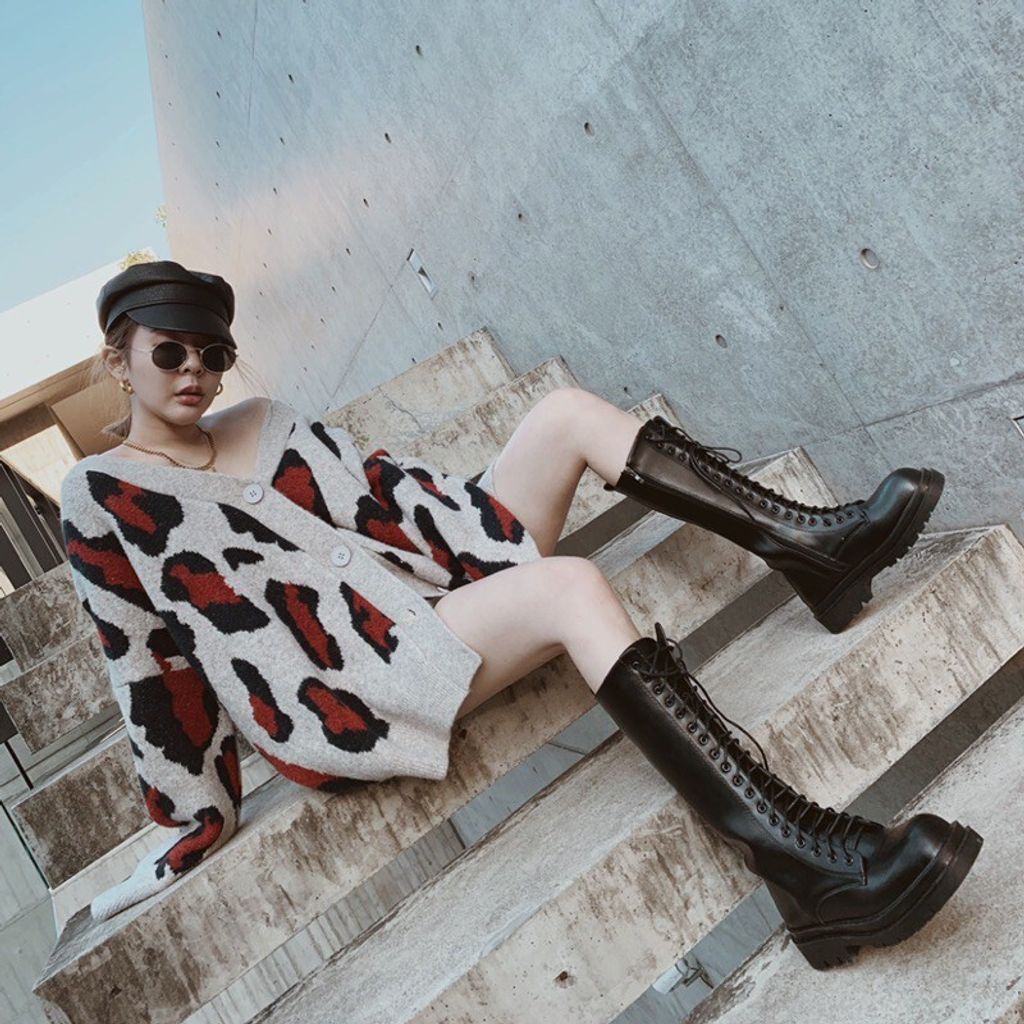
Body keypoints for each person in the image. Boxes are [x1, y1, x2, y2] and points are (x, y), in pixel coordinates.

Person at [60, 260, 982, 967]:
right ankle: (803, 869)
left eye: (214, 354)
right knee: (569, 586)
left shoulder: (260, 418)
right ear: (117, 359)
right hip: (351, 684)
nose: (196, 372)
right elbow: (146, 660)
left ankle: (814, 552)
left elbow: (386, 495)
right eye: (170, 352)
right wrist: (189, 818)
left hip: (433, 587)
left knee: (563, 415)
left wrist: (483, 536)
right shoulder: (101, 495)